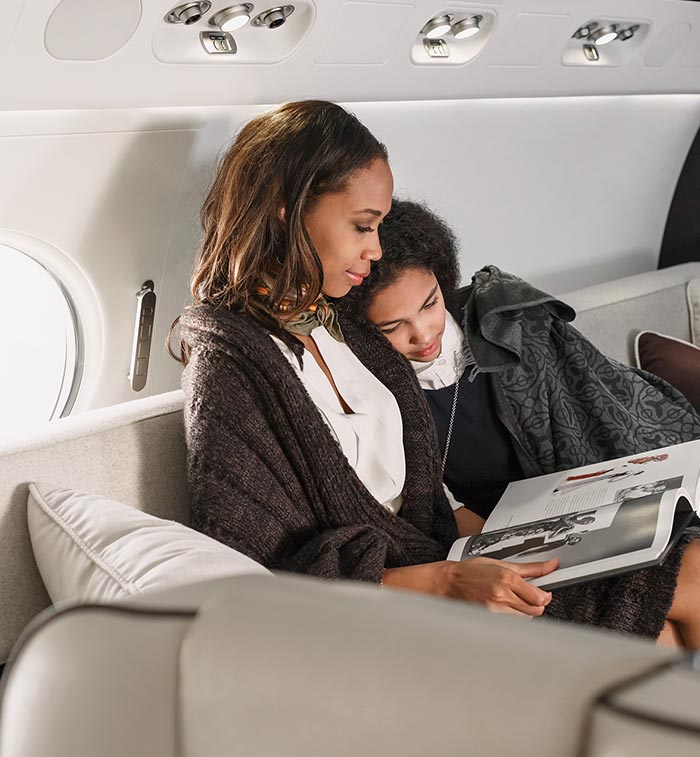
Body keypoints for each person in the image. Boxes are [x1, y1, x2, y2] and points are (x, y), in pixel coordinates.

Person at [176, 100, 558, 621]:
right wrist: (446, 581)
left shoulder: (349, 328)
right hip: (388, 608)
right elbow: (260, 575)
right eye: (362, 226)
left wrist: (542, 545)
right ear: (288, 213)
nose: (376, 249)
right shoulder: (230, 367)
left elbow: (431, 507)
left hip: (446, 566)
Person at [344, 197, 700, 647]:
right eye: (393, 327)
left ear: (442, 278)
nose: (423, 334)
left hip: (583, 512)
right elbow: (443, 521)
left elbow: (606, 408)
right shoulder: (371, 394)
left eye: (430, 304)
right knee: (664, 628)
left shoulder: (508, 326)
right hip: (495, 551)